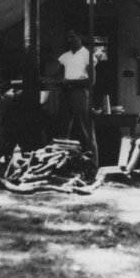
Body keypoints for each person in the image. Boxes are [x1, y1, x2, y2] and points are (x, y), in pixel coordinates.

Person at [54, 28, 99, 178]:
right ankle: (62, 167)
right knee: (63, 130)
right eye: (67, 37)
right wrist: (60, 82)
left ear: (79, 36)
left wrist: (72, 84)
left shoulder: (87, 55)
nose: (69, 40)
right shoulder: (65, 57)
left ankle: (91, 168)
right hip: (66, 95)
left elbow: (91, 81)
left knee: (85, 130)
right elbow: (58, 78)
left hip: (80, 94)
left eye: (72, 37)